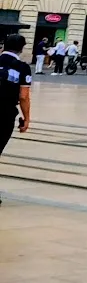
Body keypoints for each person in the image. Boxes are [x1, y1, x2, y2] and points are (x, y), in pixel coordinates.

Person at [0, 34, 33, 205]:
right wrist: (26, 118)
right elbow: (23, 96)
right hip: (4, 113)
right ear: (21, 49)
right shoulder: (22, 67)